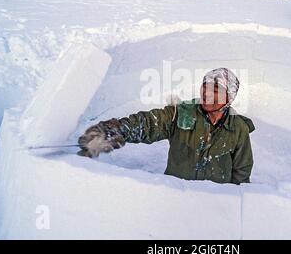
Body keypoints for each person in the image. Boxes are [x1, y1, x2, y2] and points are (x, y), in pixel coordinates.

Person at [78, 68, 255, 185]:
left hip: (214, 204)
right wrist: (112, 131)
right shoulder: (181, 114)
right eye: (205, 87)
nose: (207, 94)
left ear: (229, 97)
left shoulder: (238, 128)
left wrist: (233, 204)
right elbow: (147, 124)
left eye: (216, 90)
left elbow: (241, 172)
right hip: (174, 198)